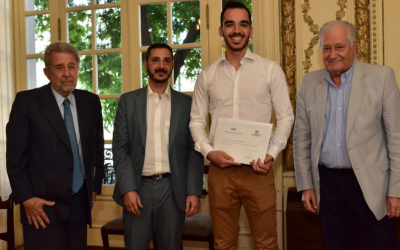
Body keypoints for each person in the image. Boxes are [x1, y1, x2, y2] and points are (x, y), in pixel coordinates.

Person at [190, 1, 294, 249]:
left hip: (258, 171)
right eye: (230, 24)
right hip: (220, 172)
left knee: (266, 243)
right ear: (220, 30)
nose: (237, 30)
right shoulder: (207, 76)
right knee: (223, 244)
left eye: (243, 24)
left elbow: (286, 117)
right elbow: (195, 121)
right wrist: (208, 151)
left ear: (251, 30)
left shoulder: (270, 70)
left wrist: (270, 154)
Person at [293, 20, 400, 250]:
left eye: (339, 47)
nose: (333, 54)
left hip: (373, 185)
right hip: (328, 185)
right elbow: (301, 139)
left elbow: (396, 140)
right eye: (326, 48)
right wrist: (306, 185)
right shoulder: (309, 83)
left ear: (354, 46)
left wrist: (395, 191)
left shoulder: (382, 78)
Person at [6, 42, 104, 250]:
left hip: (79, 202)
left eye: (72, 66)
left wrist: (94, 187)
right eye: (59, 68)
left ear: (78, 68)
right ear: (47, 72)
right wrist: (27, 198)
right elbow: (15, 158)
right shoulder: (27, 102)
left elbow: (96, 149)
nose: (67, 73)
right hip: (41, 206)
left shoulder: (91, 102)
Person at [112, 43, 204, 250]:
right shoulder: (128, 101)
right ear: (146, 64)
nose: (161, 66)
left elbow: (194, 150)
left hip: (173, 190)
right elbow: (120, 149)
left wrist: (193, 191)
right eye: (155, 60)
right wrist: (127, 189)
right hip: (137, 188)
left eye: (166, 61)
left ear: (172, 65)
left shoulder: (187, 104)